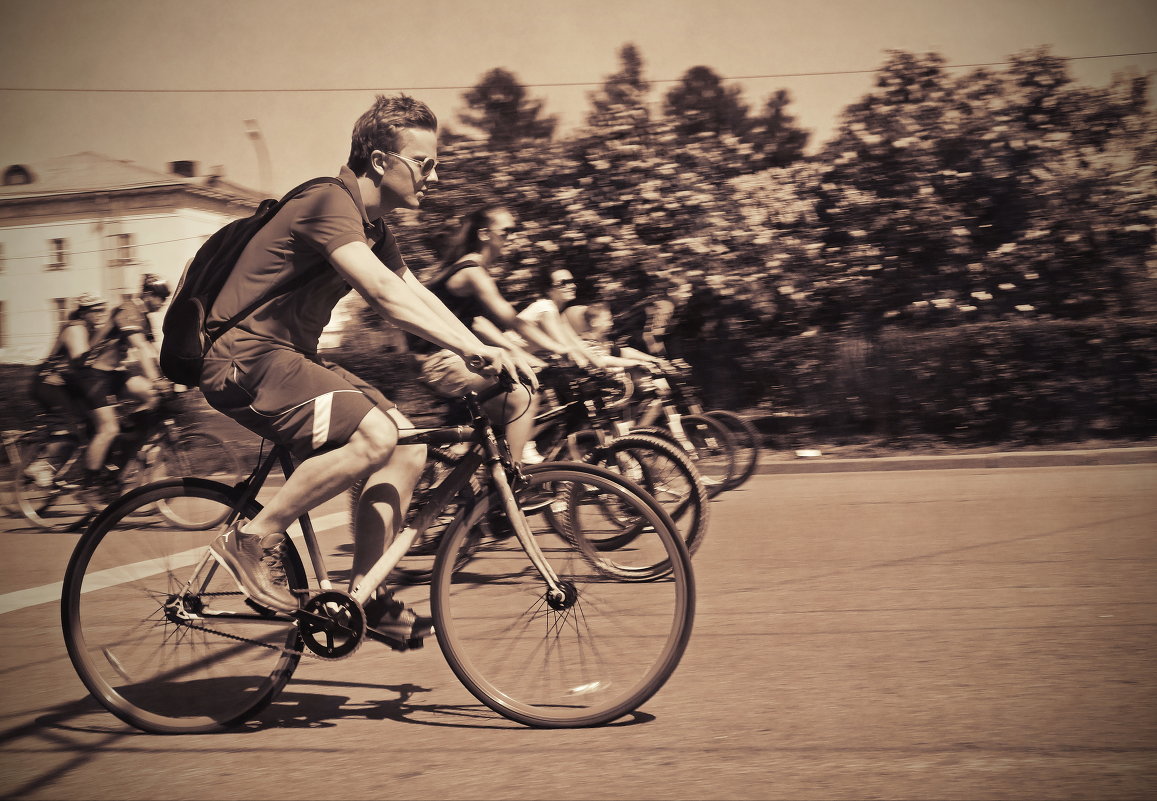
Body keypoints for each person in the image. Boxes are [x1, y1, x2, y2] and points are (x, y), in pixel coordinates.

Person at [198, 94, 522, 644]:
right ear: (379, 160)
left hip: (286, 359)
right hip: (242, 356)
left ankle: (364, 593)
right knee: (377, 435)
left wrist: (491, 350)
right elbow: (382, 296)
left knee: (409, 442)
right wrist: (471, 352)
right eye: (424, 164)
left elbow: (414, 292)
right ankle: (251, 540)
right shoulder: (329, 202)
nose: (434, 176)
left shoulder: (374, 229)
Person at [411, 203, 564, 465]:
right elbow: (510, 318)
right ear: (485, 234)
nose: (512, 237)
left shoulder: (474, 269)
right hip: (440, 360)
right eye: (507, 231)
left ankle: (480, 478)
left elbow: (481, 325)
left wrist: (523, 355)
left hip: (453, 357)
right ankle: (512, 482)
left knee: (518, 391)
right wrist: (564, 350)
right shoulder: (472, 271)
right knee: (523, 397)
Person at [75, 274, 171, 501]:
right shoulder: (128, 309)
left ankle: (126, 439)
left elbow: (152, 350)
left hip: (115, 374)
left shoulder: (144, 317)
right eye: (161, 298)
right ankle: (87, 487)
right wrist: (158, 380)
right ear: (147, 295)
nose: (163, 303)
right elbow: (139, 347)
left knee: (151, 396)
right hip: (94, 374)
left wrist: (173, 376)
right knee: (108, 429)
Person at [25, 293, 108, 488]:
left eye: (102, 309)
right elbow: (82, 362)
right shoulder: (76, 328)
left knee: (91, 429)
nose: (100, 314)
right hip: (49, 385)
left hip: (64, 386)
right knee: (68, 432)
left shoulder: (87, 329)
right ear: (84, 312)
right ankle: (40, 466)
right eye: (95, 310)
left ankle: (67, 471)